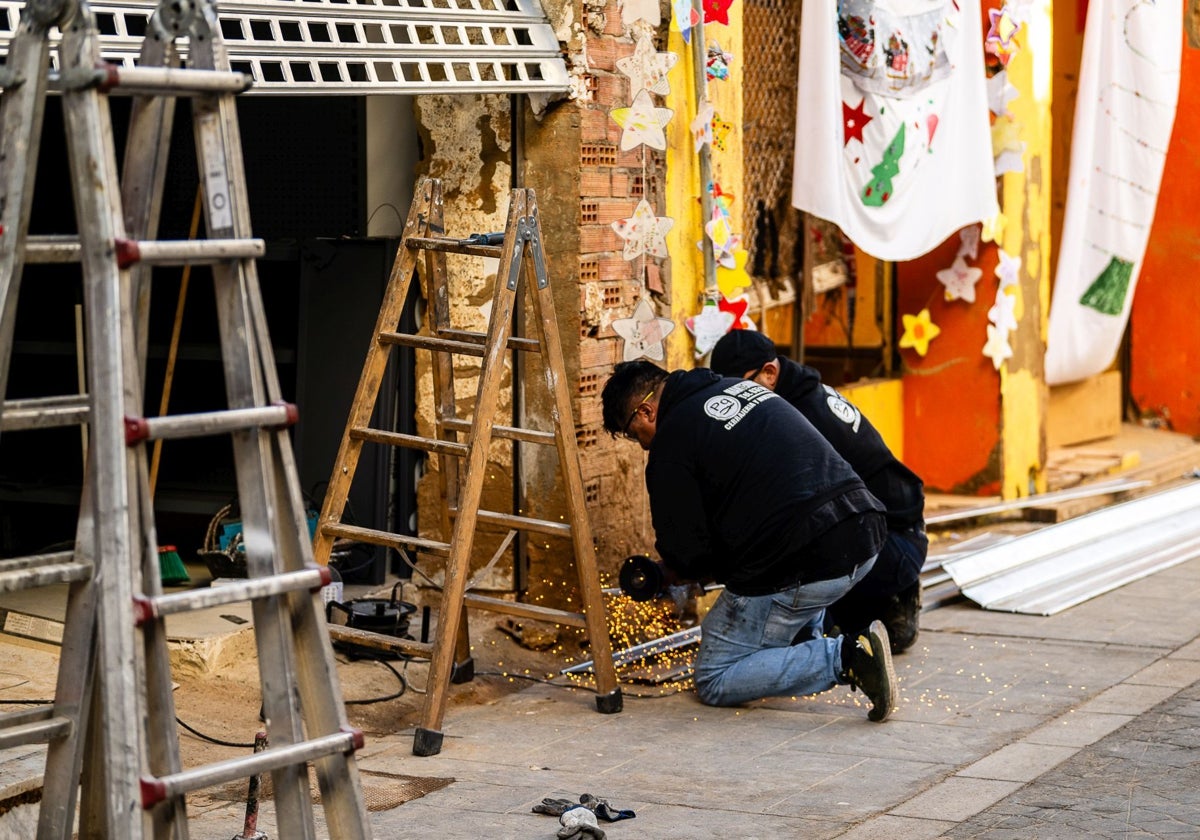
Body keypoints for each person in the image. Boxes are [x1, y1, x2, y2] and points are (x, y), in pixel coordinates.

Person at [600, 360, 898, 721]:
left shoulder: (671, 442)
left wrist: (672, 575)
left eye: (632, 434)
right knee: (781, 545)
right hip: (865, 531)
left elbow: (689, 554)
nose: (641, 446)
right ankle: (802, 643)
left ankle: (848, 658)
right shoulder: (735, 386)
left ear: (645, 410)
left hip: (813, 557)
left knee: (714, 676)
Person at [710, 330, 927, 654]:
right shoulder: (795, 396)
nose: (738, 401)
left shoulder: (802, 416)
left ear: (770, 373)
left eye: (743, 388)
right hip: (877, 531)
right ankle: (871, 603)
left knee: (803, 623)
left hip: (894, 542)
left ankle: (895, 591)